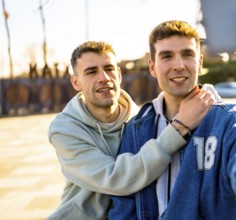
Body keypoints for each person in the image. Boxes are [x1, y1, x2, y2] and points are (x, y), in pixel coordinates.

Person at [108, 20, 236, 219]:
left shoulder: (229, 119)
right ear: (152, 67)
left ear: (200, 62)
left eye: (187, 54)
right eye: (167, 56)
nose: (178, 65)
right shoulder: (136, 127)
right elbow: (124, 205)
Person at [47, 41, 215, 219]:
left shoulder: (139, 119)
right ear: (76, 82)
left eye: (109, 68)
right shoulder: (65, 130)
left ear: (119, 75)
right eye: (91, 72)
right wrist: (179, 127)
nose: (104, 77)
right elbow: (116, 179)